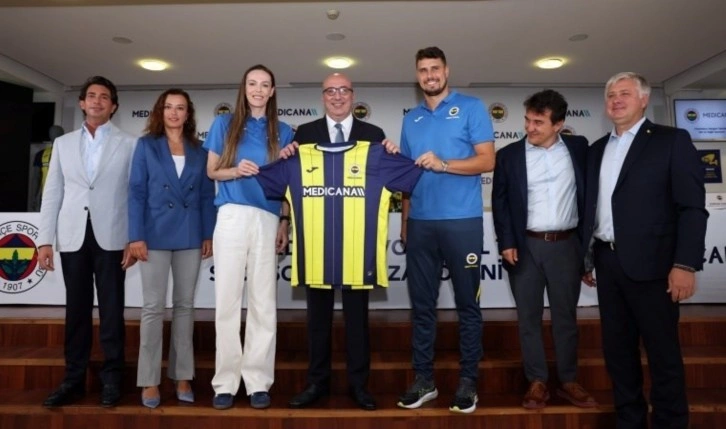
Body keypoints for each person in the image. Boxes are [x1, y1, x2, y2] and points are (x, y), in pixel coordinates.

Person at [581, 72, 708, 429]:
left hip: (656, 268)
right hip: (607, 263)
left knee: (663, 355)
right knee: (618, 355)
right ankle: (630, 421)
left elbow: (692, 208)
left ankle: (670, 422)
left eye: (624, 93)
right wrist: (586, 257)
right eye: (610, 95)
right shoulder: (596, 149)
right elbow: (594, 208)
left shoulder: (671, 140)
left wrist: (685, 264)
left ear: (643, 100)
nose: (616, 100)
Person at [279, 72, 387, 411]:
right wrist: (284, 218)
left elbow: (389, 180)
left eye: (343, 90)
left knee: (357, 319)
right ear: (322, 96)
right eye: (330, 91)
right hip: (317, 242)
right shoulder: (304, 134)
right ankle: (316, 383)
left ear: (353, 95)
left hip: (357, 243)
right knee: (317, 319)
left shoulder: (374, 135)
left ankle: (359, 385)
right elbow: (289, 181)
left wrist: (392, 153)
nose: (337, 96)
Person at [397, 46, 495, 414]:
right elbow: (407, 177)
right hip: (421, 224)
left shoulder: (471, 107)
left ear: (446, 70)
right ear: (417, 75)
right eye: (423, 70)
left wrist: (443, 164)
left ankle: (468, 381)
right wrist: (405, 222)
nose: (430, 75)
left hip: (461, 222)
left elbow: (488, 160)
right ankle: (424, 380)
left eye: (435, 68)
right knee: (422, 307)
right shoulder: (412, 119)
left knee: (468, 306)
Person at [491, 89, 596, 409]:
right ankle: (536, 381)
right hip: (525, 247)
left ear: (559, 124)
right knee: (528, 318)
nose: (529, 127)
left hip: (566, 246)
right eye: (527, 120)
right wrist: (506, 242)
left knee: (566, 318)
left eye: (538, 122)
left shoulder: (579, 148)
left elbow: (591, 198)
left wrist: (587, 253)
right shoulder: (509, 155)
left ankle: (568, 380)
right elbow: (500, 203)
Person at [37, 76, 137, 408]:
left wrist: (133, 238)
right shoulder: (63, 144)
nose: (97, 101)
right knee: (76, 311)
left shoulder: (130, 143)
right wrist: (44, 240)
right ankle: (73, 379)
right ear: (81, 103)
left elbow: (135, 194)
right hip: (72, 236)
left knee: (112, 311)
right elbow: (53, 193)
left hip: (113, 236)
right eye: (91, 96)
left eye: (104, 97)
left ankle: (112, 378)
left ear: (114, 106)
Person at [204, 64, 293, 410]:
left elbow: (287, 183)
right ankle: (225, 382)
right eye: (252, 83)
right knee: (227, 301)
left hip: (268, 218)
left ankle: (258, 381)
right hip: (231, 215)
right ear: (244, 88)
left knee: (263, 302)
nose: (258, 89)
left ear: (272, 92)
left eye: (265, 84)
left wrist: (284, 221)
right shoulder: (224, 124)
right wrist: (235, 170)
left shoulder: (283, 131)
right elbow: (212, 170)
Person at [128, 88, 216, 408]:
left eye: (180, 108)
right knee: (153, 307)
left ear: (188, 114)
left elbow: (206, 196)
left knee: (184, 306)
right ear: (160, 111)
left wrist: (208, 233)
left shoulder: (200, 149)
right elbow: (136, 192)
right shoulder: (146, 145)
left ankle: (182, 375)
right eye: (169, 107)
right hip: (153, 234)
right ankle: (149, 380)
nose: (174, 113)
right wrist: (135, 236)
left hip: (191, 233)